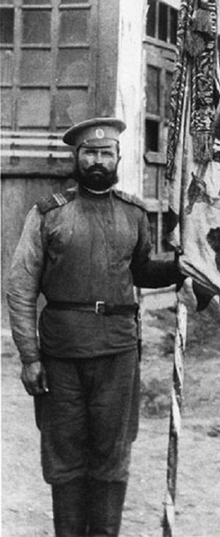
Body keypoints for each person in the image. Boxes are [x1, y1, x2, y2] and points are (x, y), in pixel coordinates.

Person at [6, 117, 184, 537]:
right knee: (65, 457)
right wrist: (30, 357)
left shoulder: (134, 215)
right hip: (61, 356)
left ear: (119, 157)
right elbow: (20, 288)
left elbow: (143, 271)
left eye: (106, 153)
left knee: (111, 455)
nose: (97, 160)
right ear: (77, 157)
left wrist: (183, 266)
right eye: (90, 153)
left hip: (117, 355)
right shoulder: (48, 214)